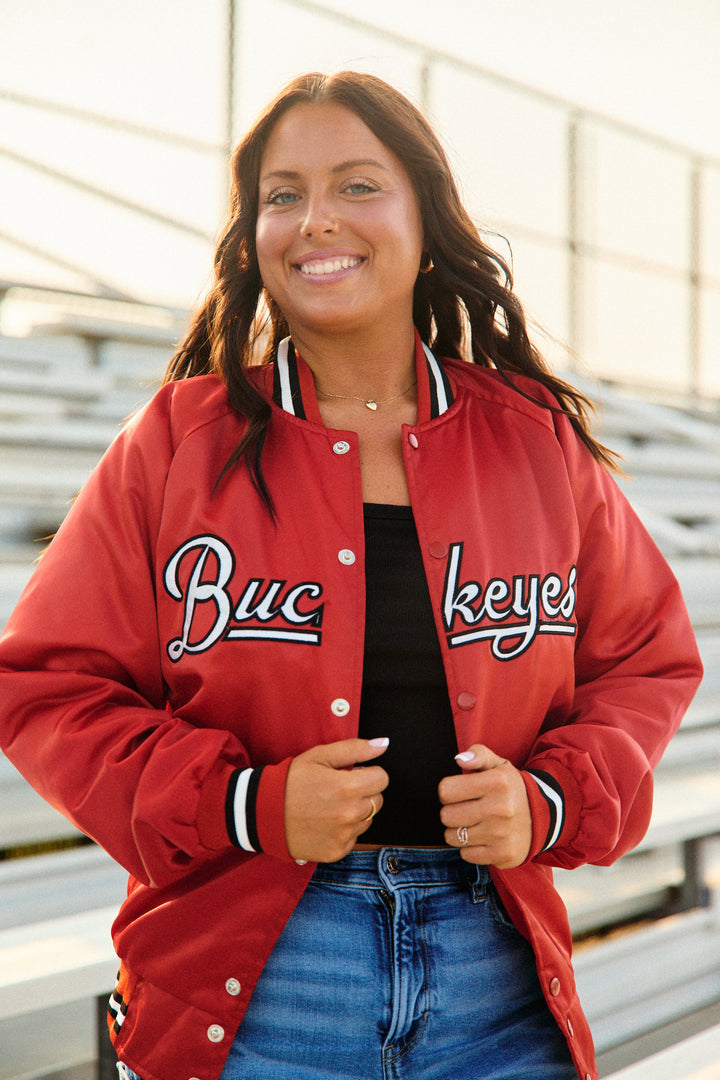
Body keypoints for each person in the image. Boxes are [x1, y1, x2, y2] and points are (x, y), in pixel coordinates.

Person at [0, 71, 703, 1080]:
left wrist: (546, 802)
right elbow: (48, 684)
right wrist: (245, 803)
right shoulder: (176, 440)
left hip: (495, 982)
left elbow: (647, 660)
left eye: (357, 184)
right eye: (281, 195)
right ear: (253, 235)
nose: (315, 219)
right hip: (257, 991)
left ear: (426, 215)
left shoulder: (533, 439)